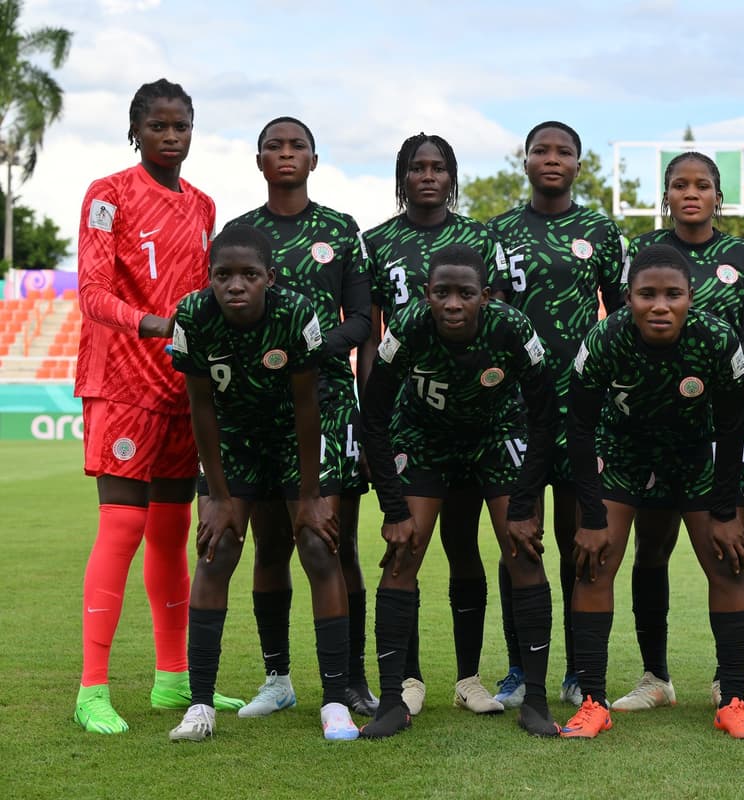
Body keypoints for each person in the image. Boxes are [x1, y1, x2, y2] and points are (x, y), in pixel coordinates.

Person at [72, 78, 242, 734]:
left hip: (180, 388)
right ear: (135, 130)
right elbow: (91, 292)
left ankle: (173, 681)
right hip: (121, 382)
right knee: (122, 525)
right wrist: (155, 326)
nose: (171, 137)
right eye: (158, 126)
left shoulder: (202, 205)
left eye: (181, 126)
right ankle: (92, 689)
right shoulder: (107, 194)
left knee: (173, 534)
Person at [358, 244, 560, 739]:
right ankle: (391, 702)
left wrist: (526, 503)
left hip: (496, 433)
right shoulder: (406, 329)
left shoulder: (511, 328)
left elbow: (545, 415)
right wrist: (393, 505)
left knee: (524, 554)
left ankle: (535, 701)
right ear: (426, 295)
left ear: (485, 296)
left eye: (465, 293)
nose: (453, 303)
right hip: (423, 436)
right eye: (441, 293)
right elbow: (375, 415)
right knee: (404, 552)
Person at [561, 244, 744, 740]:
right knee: (594, 561)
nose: (659, 305)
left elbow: (734, 424)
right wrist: (590, 516)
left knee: (727, 561)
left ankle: (733, 700)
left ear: (690, 297)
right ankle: (592, 702)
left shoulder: (717, 339)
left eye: (672, 294)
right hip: (624, 452)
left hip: (696, 453)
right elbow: (580, 428)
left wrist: (725, 508)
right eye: (646, 294)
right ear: (626, 298)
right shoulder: (605, 339)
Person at [166, 225, 352, 742]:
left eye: (249, 275)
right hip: (235, 437)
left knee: (318, 545)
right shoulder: (193, 315)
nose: (236, 285)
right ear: (210, 278)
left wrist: (311, 496)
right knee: (217, 547)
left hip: (297, 436)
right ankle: (200, 705)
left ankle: (335, 702)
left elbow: (306, 404)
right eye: (223, 275)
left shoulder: (295, 313)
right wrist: (219, 498)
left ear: (270, 277)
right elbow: (201, 406)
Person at [608, 152, 744, 713]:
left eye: (702, 184)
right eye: (680, 184)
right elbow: (621, 326)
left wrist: (704, 377)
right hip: (651, 420)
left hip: (724, 418)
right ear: (667, 194)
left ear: (717, 195)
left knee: (730, 548)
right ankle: (656, 676)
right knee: (650, 547)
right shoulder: (645, 253)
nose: (691, 193)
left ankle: (732, 685)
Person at [225, 117, 375, 719]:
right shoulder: (240, 232)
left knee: (334, 545)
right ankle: (277, 678)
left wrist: (311, 351)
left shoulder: (340, 229)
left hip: (330, 403)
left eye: (297, 147)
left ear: (315, 159)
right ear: (258, 159)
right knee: (270, 546)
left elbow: (363, 320)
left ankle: (352, 679)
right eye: (274, 146)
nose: (285, 154)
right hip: (258, 408)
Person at [356, 133, 510, 716]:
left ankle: (468, 677)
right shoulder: (376, 242)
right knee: (407, 544)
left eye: (438, 167)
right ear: (402, 177)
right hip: (405, 415)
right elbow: (370, 335)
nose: (428, 176)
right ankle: (410, 678)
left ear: (452, 176)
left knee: (464, 543)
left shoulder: (479, 238)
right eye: (417, 167)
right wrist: (374, 415)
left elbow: (496, 323)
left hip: (473, 417)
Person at [486, 120, 625, 709]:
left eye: (563, 151)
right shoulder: (496, 233)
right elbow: (485, 315)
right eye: (540, 149)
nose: (551, 159)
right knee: (518, 542)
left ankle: (576, 670)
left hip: (582, 409)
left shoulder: (600, 231)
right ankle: (521, 667)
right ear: (525, 160)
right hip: (512, 410)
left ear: (577, 162)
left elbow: (622, 321)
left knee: (580, 543)